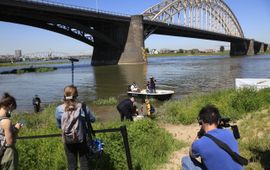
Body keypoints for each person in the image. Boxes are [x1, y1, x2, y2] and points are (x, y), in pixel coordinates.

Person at [181, 104, 243, 170]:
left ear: (201, 122)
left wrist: (199, 135)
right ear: (218, 121)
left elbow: (191, 154)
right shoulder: (229, 133)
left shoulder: (200, 143)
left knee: (186, 160)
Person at [55, 85, 95, 170]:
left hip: (68, 140)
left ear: (64, 95)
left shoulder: (59, 109)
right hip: (82, 139)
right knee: (85, 164)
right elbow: (92, 119)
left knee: (71, 165)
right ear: (76, 95)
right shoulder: (82, 107)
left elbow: (59, 125)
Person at [0, 93, 23, 170]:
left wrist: (10, 129)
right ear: (9, 106)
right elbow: (10, 142)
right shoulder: (6, 122)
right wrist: (16, 129)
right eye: (12, 109)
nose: (11, 112)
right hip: (6, 154)